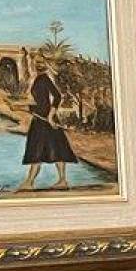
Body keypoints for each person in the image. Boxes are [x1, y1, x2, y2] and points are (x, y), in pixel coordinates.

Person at [18, 58, 79, 191]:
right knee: (48, 149)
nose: (36, 65)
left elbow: (57, 96)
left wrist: (51, 116)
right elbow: (39, 103)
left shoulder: (43, 79)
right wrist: (20, 107)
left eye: (39, 63)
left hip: (46, 120)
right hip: (40, 118)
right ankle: (52, 181)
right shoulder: (39, 79)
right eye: (36, 63)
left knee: (44, 150)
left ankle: (32, 182)